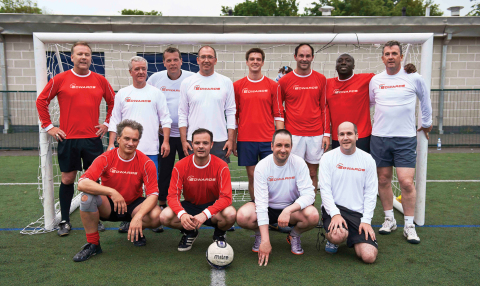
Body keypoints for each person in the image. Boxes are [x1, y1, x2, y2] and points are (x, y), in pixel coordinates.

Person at [36, 41, 115, 236]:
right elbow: (41, 101)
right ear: (72, 57)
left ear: (90, 58)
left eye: (87, 54)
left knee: (93, 180)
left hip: (92, 139)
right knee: (68, 178)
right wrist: (49, 127)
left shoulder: (100, 80)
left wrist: (106, 123)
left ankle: (95, 218)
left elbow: (114, 102)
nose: (83, 57)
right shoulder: (61, 79)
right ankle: (64, 220)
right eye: (79, 54)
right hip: (68, 139)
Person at [369, 40, 432, 244]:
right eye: (387, 53)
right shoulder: (376, 80)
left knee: (406, 182)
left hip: (405, 138)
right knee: (383, 180)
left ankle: (409, 225)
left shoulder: (413, 77)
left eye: (394, 53)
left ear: (401, 56)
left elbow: (425, 99)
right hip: (379, 137)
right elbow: (370, 102)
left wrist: (427, 122)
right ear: (382, 58)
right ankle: (389, 219)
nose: (390, 57)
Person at [73, 119, 162, 262]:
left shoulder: (146, 162)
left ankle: (136, 230)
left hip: (134, 205)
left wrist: (138, 217)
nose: (130, 143)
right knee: (86, 198)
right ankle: (93, 244)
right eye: (127, 138)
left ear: (138, 142)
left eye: (135, 140)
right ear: (118, 139)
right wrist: (112, 192)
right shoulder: (106, 158)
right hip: (109, 205)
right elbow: (82, 183)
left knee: (157, 215)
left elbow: (153, 195)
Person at [107, 56, 172, 233]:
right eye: (137, 69)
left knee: (151, 186)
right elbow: (115, 120)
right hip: (125, 151)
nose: (141, 72)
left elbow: (165, 119)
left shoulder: (156, 93)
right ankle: (127, 218)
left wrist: (165, 141)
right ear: (130, 72)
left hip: (150, 148)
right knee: (127, 186)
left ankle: (149, 217)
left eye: (143, 68)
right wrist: (111, 144)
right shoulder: (122, 93)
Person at [236, 129, 319, 265]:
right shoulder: (262, 166)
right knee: (242, 216)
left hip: (291, 210)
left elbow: (309, 194)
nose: (283, 149)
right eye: (279, 145)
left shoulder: (298, 163)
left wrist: (288, 210)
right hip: (268, 207)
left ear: (291, 147)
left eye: (287, 145)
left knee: (313, 215)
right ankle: (259, 234)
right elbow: (261, 204)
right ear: (272, 146)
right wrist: (265, 241)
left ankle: (294, 235)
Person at [160, 128, 237, 251]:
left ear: (211, 145)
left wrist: (205, 214)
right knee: (165, 216)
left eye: (205, 143)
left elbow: (226, 198)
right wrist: (182, 214)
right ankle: (189, 231)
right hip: (190, 206)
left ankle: (219, 234)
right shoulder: (180, 166)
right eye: (197, 143)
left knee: (231, 213)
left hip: (213, 208)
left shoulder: (221, 166)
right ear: (191, 144)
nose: (201, 146)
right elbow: (172, 196)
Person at [326, 54, 417, 153]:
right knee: (340, 167)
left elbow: (388, 77)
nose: (343, 62)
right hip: (338, 136)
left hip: (362, 136)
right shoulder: (327, 83)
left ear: (353, 66)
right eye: (340, 61)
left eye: (348, 60)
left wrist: (404, 71)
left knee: (362, 167)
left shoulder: (367, 79)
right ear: (335, 66)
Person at [147, 47, 195, 233]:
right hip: (163, 136)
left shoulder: (191, 78)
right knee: (163, 173)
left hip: (187, 136)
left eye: (176, 59)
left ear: (181, 61)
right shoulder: (155, 79)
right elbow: (150, 100)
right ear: (164, 62)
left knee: (189, 173)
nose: (172, 63)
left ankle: (191, 207)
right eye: (169, 60)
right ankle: (159, 207)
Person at [319, 122, 378, 263]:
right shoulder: (327, 158)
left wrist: (366, 220)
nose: (345, 137)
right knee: (338, 235)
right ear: (337, 137)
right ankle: (334, 239)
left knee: (369, 256)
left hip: (358, 214)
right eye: (342, 134)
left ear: (357, 136)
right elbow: (325, 191)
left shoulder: (367, 159)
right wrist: (335, 214)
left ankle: (353, 235)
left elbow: (371, 193)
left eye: (349, 134)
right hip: (335, 209)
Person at [233, 47, 284, 201]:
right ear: (247, 62)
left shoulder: (273, 86)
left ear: (262, 62)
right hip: (246, 139)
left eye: (258, 59)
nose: (255, 62)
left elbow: (278, 114)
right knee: (253, 176)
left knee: (271, 176)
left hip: (268, 139)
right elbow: (234, 117)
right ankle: (257, 208)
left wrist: (280, 140)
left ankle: (271, 210)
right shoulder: (237, 86)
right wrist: (233, 140)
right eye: (252, 59)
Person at [278, 43, 329, 190]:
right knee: (292, 173)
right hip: (294, 134)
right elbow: (278, 109)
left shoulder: (321, 79)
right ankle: (293, 209)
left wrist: (326, 133)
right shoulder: (284, 81)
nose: (304, 59)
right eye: (301, 55)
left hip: (316, 134)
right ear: (295, 57)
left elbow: (324, 108)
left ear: (312, 57)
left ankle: (310, 207)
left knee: (312, 173)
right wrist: (282, 133)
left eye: (307, 56)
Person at [178, 45, 236, 164]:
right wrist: (184, 141)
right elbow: (182, 113)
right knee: (194, 179)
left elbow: (231, 112)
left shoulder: (226, 82)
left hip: (220, 140)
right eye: (203, 57)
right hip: (194, 140)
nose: (206, 60)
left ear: (215, 60)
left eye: (210, 57)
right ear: (198, 60)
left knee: (218, 179)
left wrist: (231, 139)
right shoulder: (187, 82)